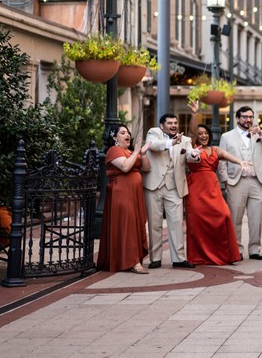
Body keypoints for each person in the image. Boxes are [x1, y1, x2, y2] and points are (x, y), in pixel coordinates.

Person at [218, 106, 262, 259]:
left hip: (257, 181)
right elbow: (222, 161)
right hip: (236, 181)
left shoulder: (258, 135)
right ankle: (236, 249)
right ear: (238, 118)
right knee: (236, 218)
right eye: (245, 117)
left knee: (256, 217)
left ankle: (254, 250)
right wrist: (225, 179)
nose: (248, 120)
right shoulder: (227, 136)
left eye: (251, 116)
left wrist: (261, 134)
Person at [185, 119, 251, 265]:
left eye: (205, 133)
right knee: (197, 222)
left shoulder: (215, 150)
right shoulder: (191, 148)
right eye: (200, 133)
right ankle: (197, 256)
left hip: (213, 189)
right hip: (196, 189)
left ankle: (226, 254)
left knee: (224, 216)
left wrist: (240, 162)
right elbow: (191, 132)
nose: (203, 136)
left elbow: (228, 156)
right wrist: (195, 114)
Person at [143, 112, 199, 269]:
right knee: (155, 223)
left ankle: (179, 258)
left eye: (175, 123)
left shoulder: (185, 140)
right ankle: (155, 258)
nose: (174, 125)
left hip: (174, 186)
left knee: (176, 222)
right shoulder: (153, 133)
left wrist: (194, 155)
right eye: (170, 123)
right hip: (153, 185)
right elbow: (153, 146)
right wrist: (171, 143)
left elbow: (189, 154)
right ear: (162, 125)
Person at [97, 124, 151, 274]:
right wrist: (136, 153)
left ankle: (130, 259)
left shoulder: (130, 151)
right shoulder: (114, 151)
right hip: (121, 193)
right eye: (122, 133)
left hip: (134, 194)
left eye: (128, 132)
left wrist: (143, 154)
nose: (127, 135)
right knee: (127, 225)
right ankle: (132, 262)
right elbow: (126, 167)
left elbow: (146, 168)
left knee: (135, 224)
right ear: (114, 137)